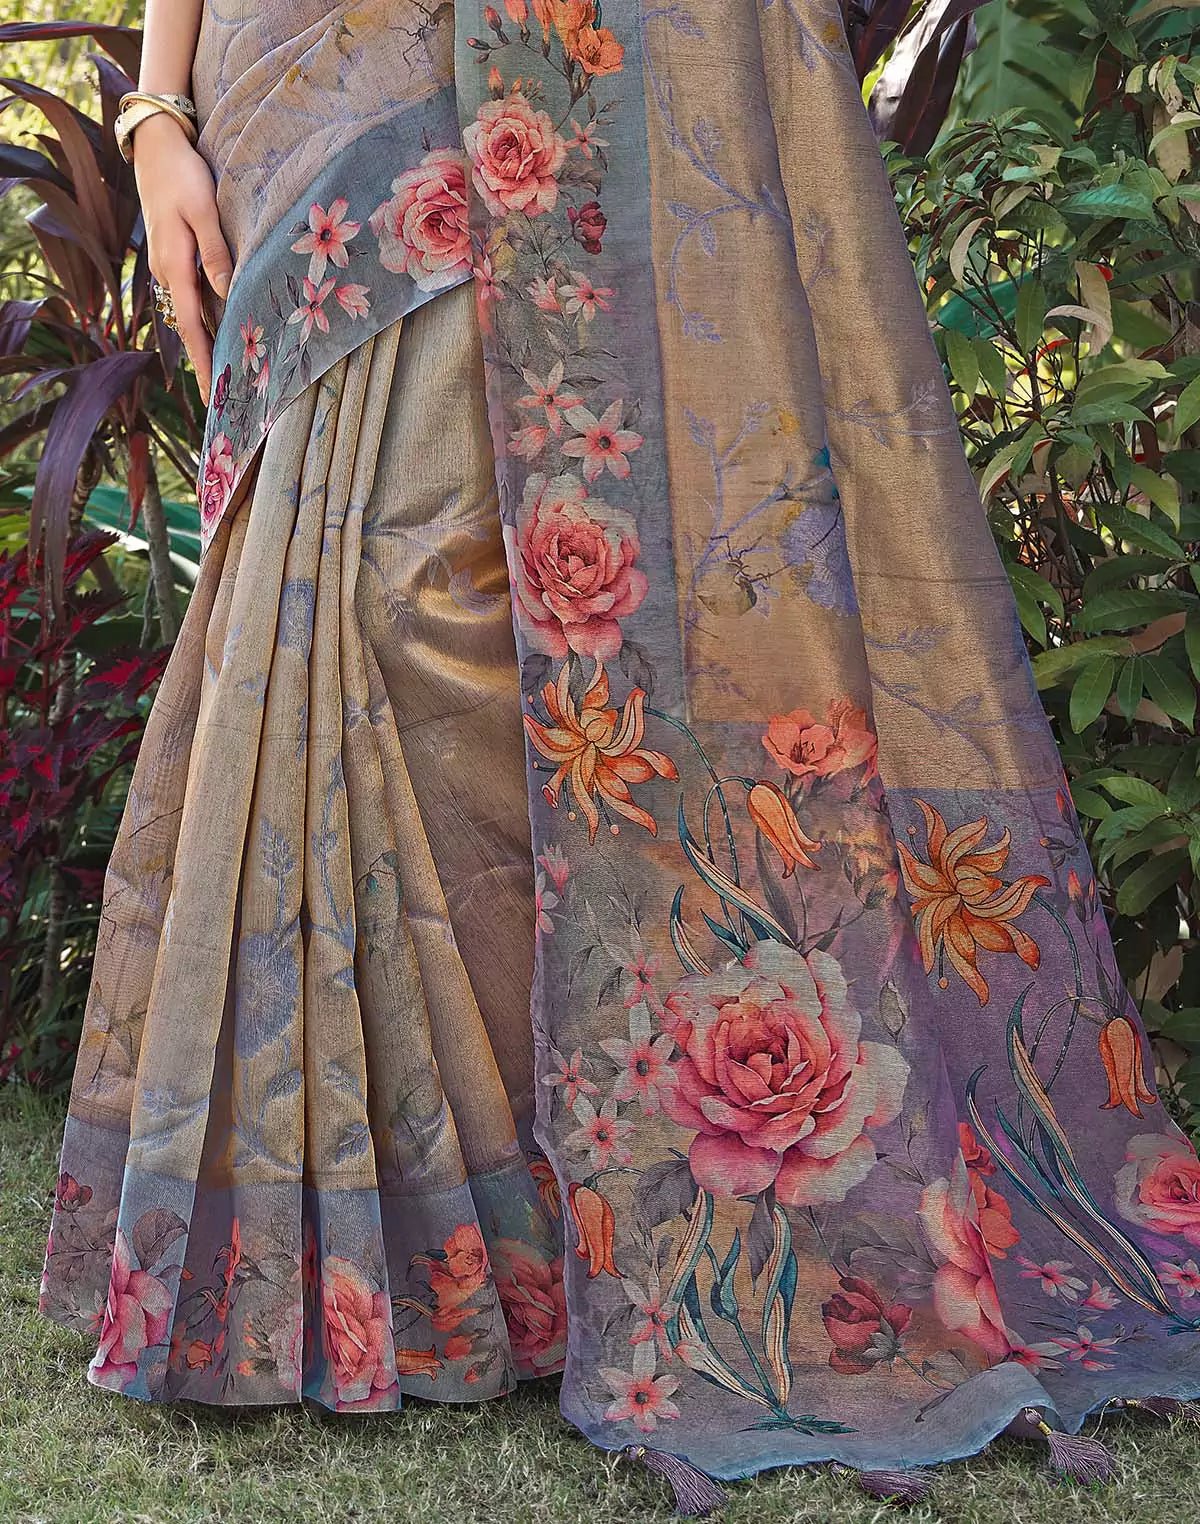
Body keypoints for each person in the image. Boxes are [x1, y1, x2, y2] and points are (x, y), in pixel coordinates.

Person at [39, 0, 1200, 1511]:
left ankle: (573, 1208)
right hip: (298, 69)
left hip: (544, 51)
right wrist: (156, 118)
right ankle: (449, 1234)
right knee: (367, 589)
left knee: (512, 587)